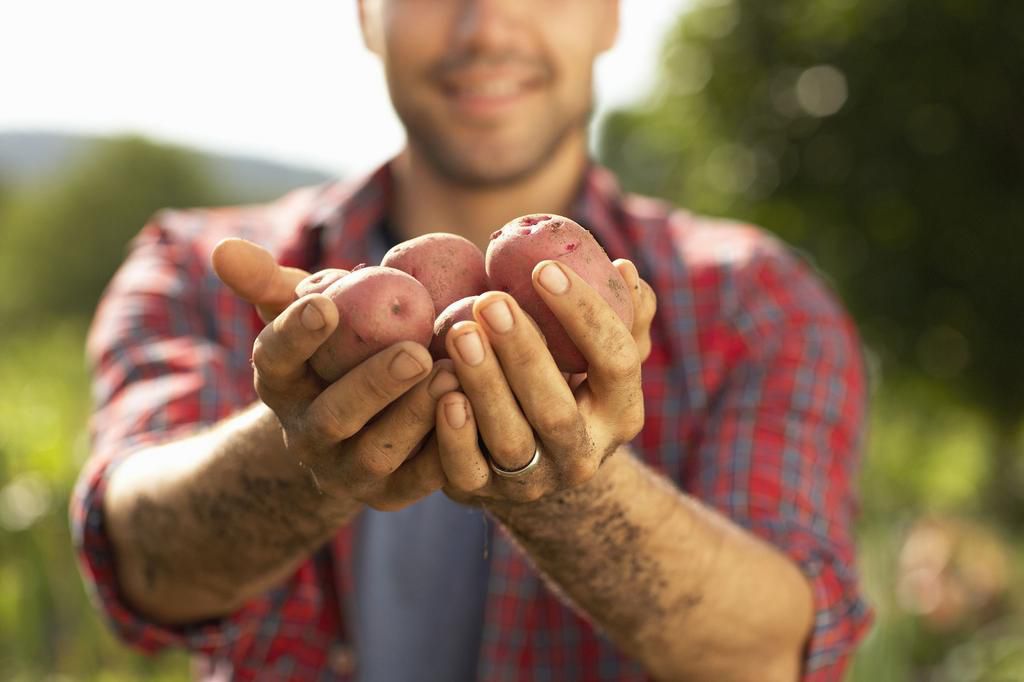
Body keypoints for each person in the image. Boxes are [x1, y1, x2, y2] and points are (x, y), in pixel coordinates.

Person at [71, 1, 871, 680]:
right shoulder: (200, 271)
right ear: (364, 14)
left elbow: (769, 652)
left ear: (612, 13)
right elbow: (146, 563)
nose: (486, 27)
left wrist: (571, 489)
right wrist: (305, 447)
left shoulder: (757, 304)